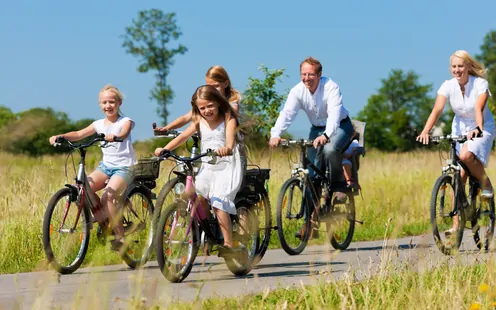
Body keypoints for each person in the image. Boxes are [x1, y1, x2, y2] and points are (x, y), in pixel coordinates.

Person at [154, 85, 244, 257]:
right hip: (208, 165)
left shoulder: (228, 118)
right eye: (202, 108)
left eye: (210, 105)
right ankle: (207, 227)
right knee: (195, 194)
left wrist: (227, 147)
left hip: (227, 165)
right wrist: (165, 149)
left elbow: (230, 141)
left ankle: (227, 243)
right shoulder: (199, 121)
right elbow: (182, 137)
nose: (207, 110)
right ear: (197, 109)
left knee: (218, 201)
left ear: (218, 102)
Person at [49, 84, 137, 251]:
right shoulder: (98, 124)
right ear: (99, 104)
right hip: (106, 166)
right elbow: (78, 134)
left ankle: (120, 237)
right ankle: (103, 218)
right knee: (83, 188)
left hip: (124, 167)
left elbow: (124, 133)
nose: (108, 106)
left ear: (119, 103)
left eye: (111, 102)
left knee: (107, 197)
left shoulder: (125, 121)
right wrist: (60, 136)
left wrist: (115, 136)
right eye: (104, 102)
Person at [417, 50, 495, 235]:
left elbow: (479, 107)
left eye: (461, 66)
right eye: (454, 66)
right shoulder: (448, 86)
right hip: (459, 126)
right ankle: (455, 225)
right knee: (457, 177)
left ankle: (486, 185)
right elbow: (437, 109)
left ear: (468, 66)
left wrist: (477, 127)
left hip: (482, 125)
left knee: (467, 156)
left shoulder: (480, 83)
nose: (457, 70)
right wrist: (426, 131)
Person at [155, 65, 247, 171]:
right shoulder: (205, 108)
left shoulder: (232, 105)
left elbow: (229, 117)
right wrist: (167, 128)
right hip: (210, 157)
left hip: (231, 155)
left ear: (225, 83)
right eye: (209, 86)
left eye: (215, 86)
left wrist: (228, 148)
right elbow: (185, 119)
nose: (206, 110)